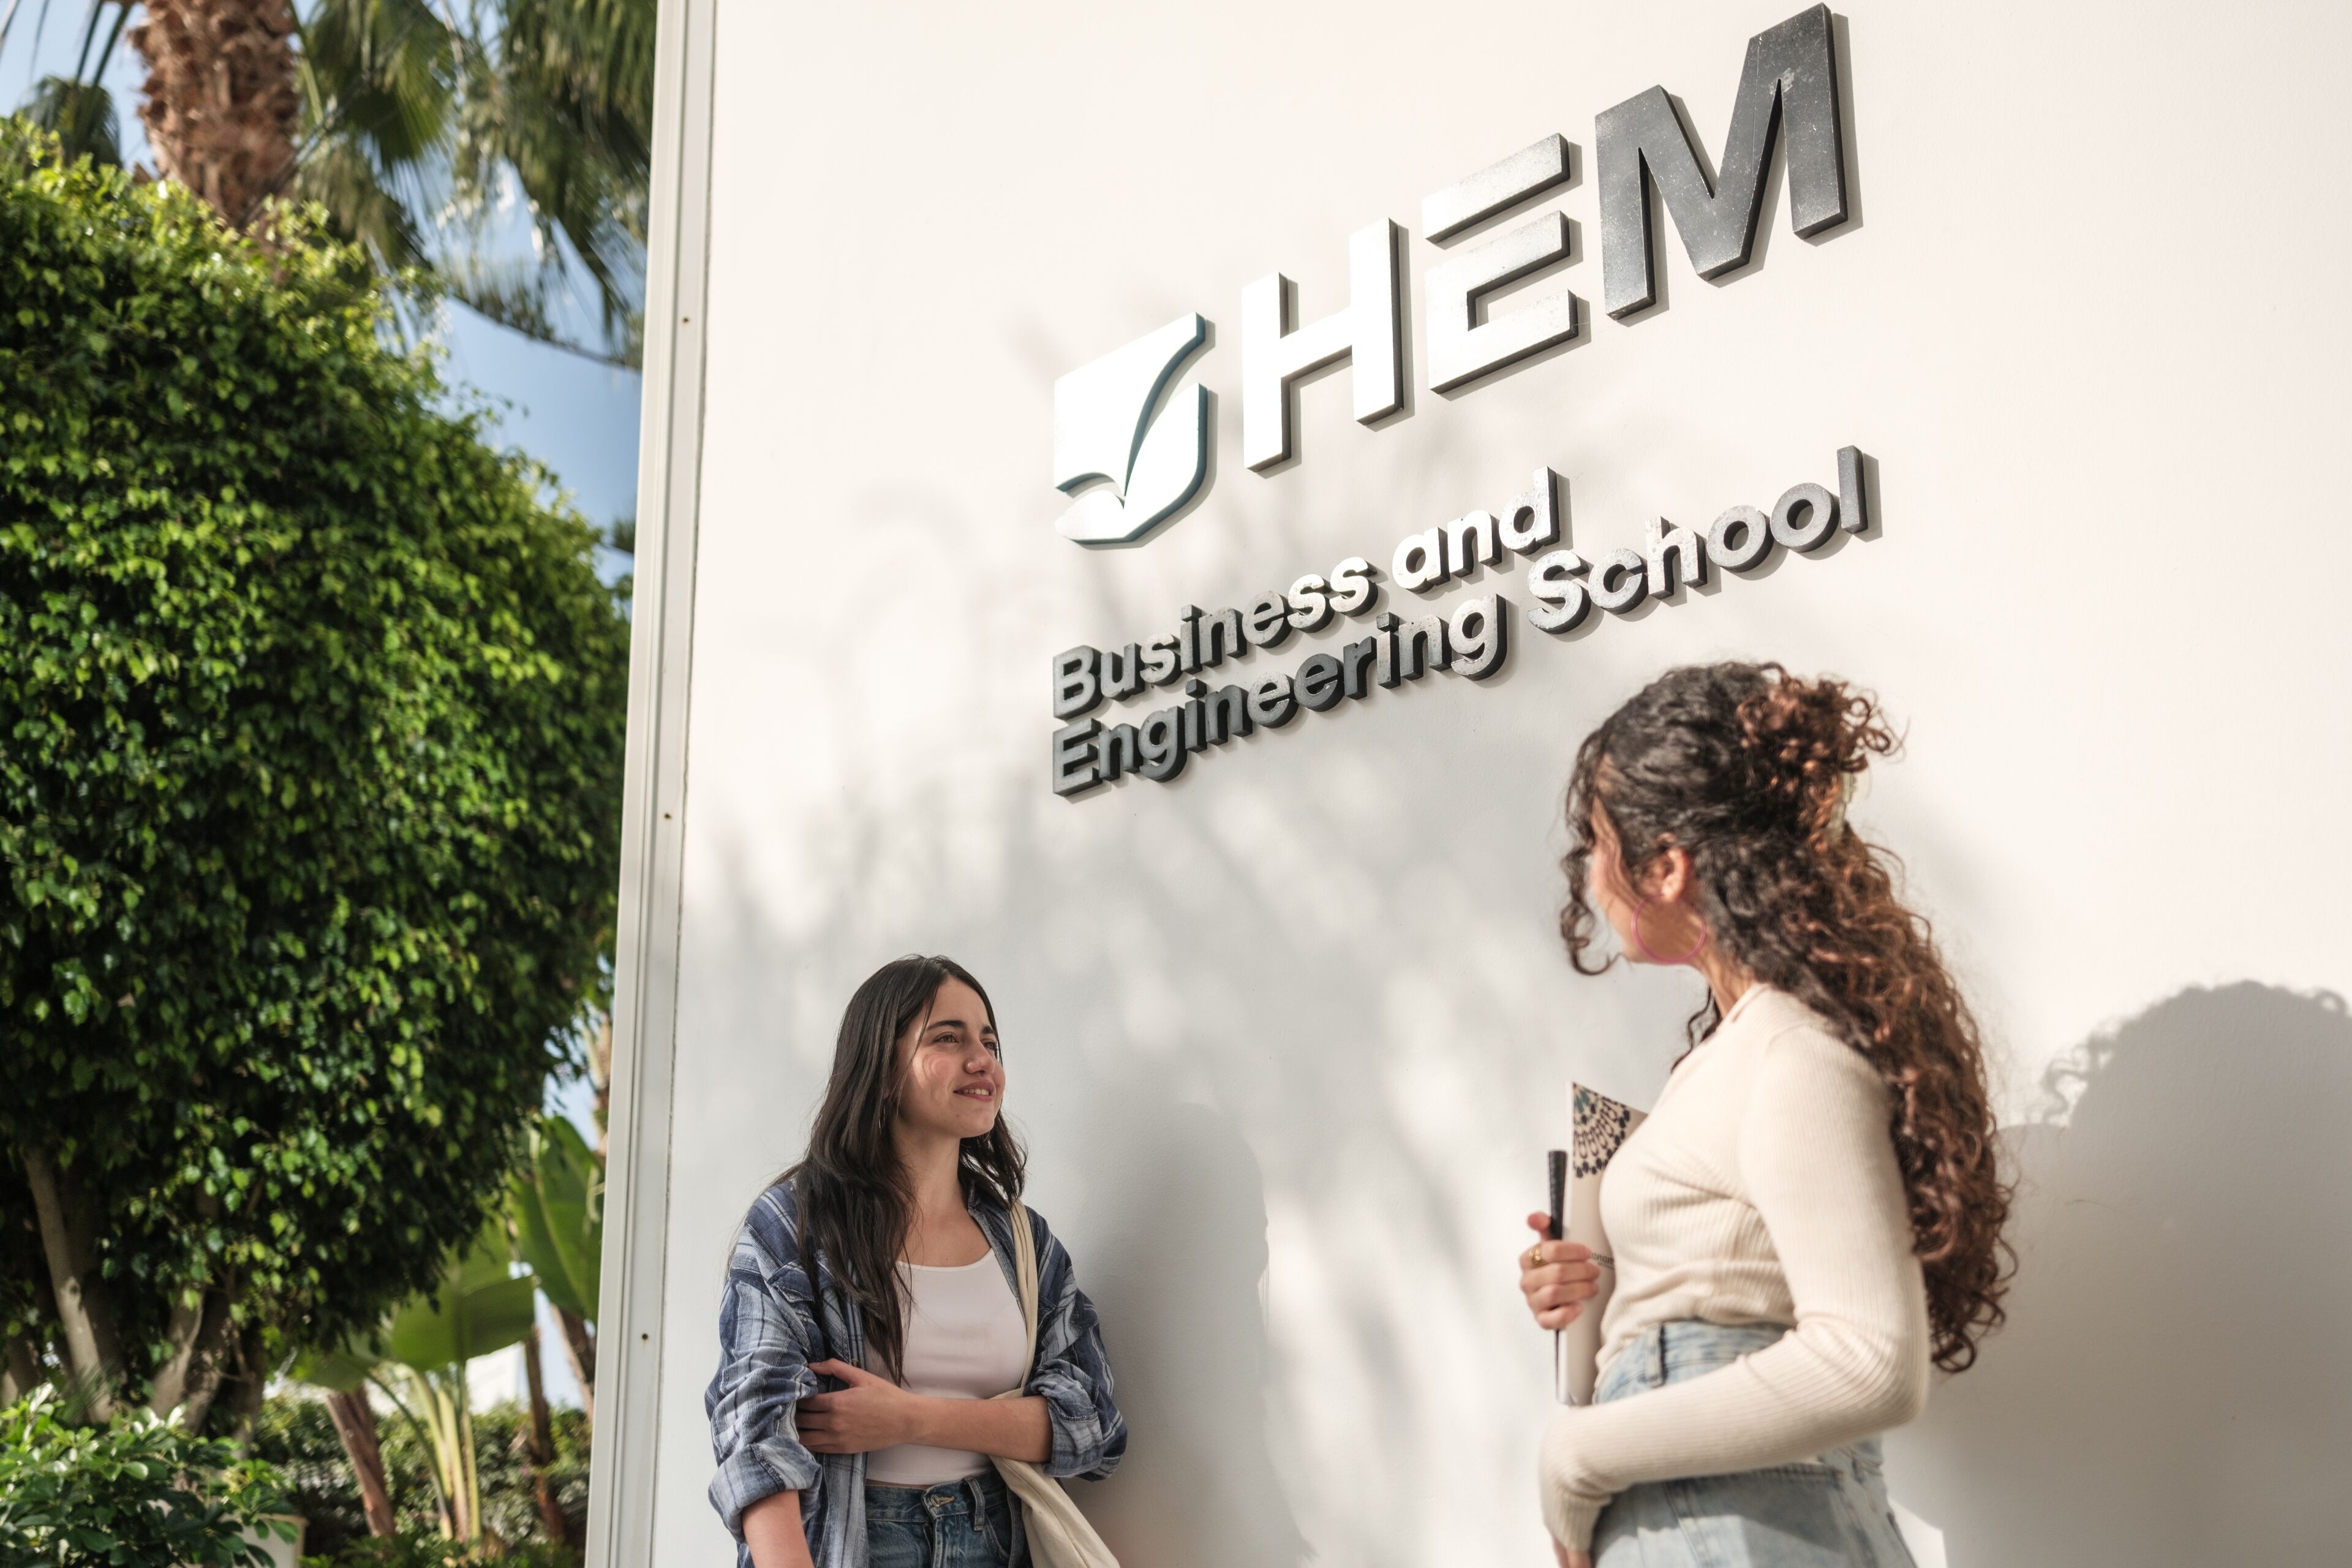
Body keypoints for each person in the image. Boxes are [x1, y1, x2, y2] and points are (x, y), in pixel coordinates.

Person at [1517, 663, 2011, 1567]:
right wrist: (1601, 1289)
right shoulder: (1737, 1054)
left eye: (1596, 844)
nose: (1589, 877)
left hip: (1732, 1525)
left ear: (1664, 867)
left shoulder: (1790, 1051)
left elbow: (1868, 1360)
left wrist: (1577, 1455)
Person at [707, 956, 1125, 1568]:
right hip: (854, 1544)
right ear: (879, 1070)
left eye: (989, 1040)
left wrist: (913, 1418)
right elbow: (756, 1434)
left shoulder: (1023, 1242)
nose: (982, 1060)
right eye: (948, 1038)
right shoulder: (794, 1224)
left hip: (996, 1540)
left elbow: (1093, 1422)